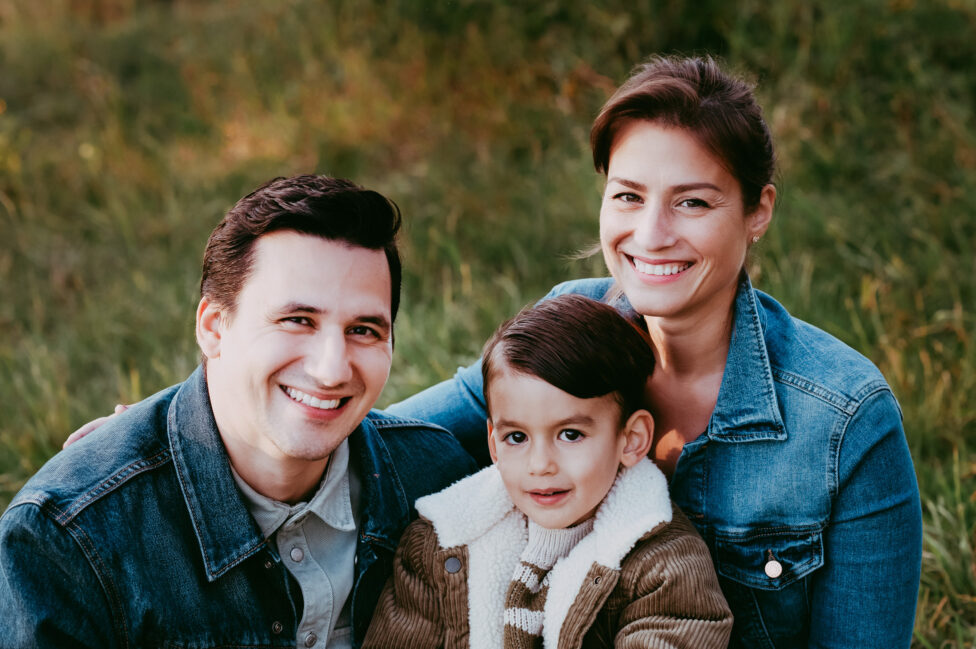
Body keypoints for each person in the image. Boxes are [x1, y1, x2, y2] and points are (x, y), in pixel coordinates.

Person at [388, 56, 923, 648]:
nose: (650, 234)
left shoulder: (845, 419)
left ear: (758, 211)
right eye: (627, 197)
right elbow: (400, 441)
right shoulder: (572, 328)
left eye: (692, 202)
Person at [0, 175, 476, 648]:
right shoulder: (68, 541)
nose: (332, 370)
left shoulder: (438, 482)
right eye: (297, 320)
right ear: (213, 327)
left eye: (364, 330)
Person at [363, 294, 733, 649]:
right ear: (493, 442)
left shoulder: (666, 569)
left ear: (631, 439)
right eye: (517, 437)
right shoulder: (439, 544)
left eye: (571, 435)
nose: (540, 465)